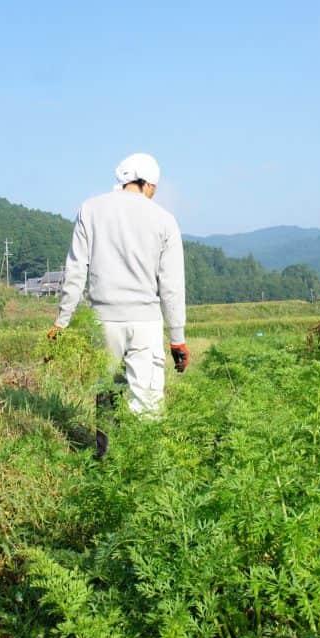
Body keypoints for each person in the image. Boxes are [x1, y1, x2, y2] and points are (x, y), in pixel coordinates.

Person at [48, 152, 189, 452]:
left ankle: (105, 458)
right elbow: (172, 286)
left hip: (103, 319)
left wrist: (62, 321)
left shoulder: (91, 209)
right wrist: (177, 339)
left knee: (107, 393)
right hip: (146, 322)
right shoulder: (164, 220)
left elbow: (75, 271)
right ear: (148, 184)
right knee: (147, 400)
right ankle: (143, 465)